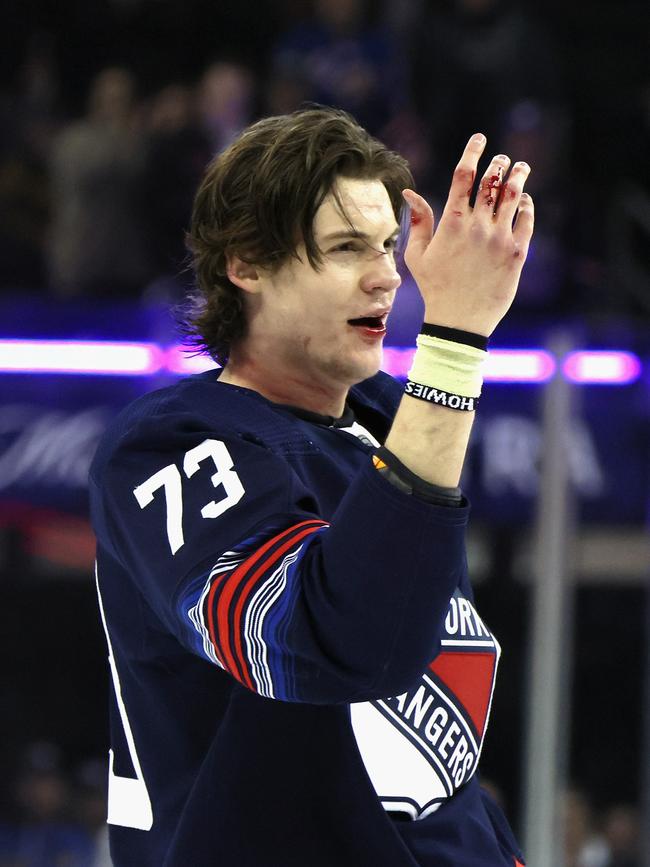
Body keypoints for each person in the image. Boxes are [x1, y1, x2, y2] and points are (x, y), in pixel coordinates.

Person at [89, 106, 533, 866]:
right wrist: (455, 343)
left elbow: (429, 774)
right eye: (345, 248)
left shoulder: (392, 420)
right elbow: (334, 648)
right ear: (247, 263)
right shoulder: (170, 446)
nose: (388, 275)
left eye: (390, 244)